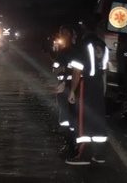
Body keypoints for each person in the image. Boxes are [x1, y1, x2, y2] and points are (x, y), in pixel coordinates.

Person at [65, 15, 109, 165]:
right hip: (98, 84)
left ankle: (82, 154)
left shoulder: (83, 44)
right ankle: (100, 154)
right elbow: (104, 69)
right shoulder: (102, 44)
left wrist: (72, 91)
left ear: (83, 28)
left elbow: (77, 70)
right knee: (98, 118)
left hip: (86, 85)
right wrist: (104, 87)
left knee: (83, 119)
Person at [52, 24, 77, 157]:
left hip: (67, 87)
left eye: (67, 33)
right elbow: (56, 69)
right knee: (68, 117)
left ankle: (70, 145)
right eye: (63, 33)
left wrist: (62, 80)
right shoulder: (64, 51)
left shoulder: (70, 51)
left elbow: (65, 70)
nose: (64, 36)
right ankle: (71, 144)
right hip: (67, 86)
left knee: (67, 118)